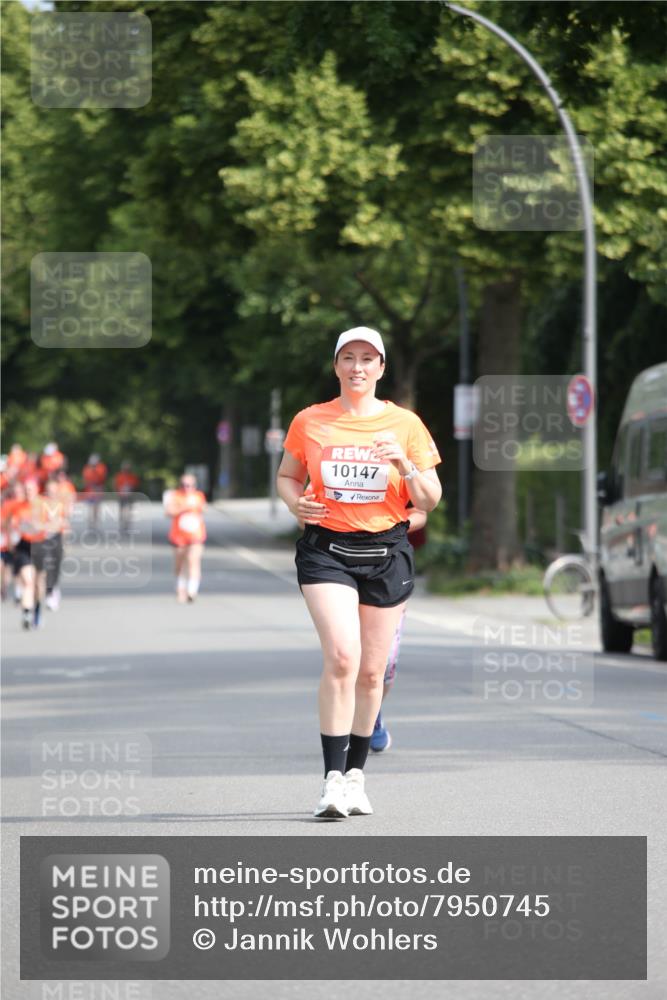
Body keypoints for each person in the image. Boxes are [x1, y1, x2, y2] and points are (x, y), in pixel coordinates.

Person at [277, 326, 442, 818]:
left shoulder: (406, 424)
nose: (357, 367)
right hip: (326, 549)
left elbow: (430, 499)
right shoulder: (311, 420)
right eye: (348, 358)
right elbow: (287, 476)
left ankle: (355, 777)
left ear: (381, 368)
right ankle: (330, 781)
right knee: (344, 658)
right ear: (336, 366)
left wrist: (405, 466)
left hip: (387, 551)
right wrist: (296, 505)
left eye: (367, 359)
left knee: (372, 673)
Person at [370, 504, 428, 753]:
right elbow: (304, 514)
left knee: (385, 664)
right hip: (340, 569)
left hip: (390, 568)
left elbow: (421, 512)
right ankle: (348, 720)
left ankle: (372, 712)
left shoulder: (399, 465)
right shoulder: (332, 463)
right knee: (347, 655)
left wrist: (388, 525)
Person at [11, 478, 49, 630]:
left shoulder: (44, 504)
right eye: (25, 489)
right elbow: (10, 523)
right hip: (23, 546)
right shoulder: (17, 506)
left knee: (39, 585)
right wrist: (10, 539)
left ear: (36, 489)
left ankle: (37, 611)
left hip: (40, 545)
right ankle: (26, 614)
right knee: (28, 581)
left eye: (30, 489)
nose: (28, 493)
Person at [164, 473, 207, 603]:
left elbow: (203, 509)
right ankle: (180, 588)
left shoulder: (199, 496)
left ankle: (192, 591)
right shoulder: (175, 496)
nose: (187, 488)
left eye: (190, 485)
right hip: (178, 536)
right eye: (184, 485)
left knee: (193, 560)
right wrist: (184, 507)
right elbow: (168, 512)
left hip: (196, 536)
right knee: (180, 564)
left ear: (195, 486)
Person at [114, 461, 140, 536]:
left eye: (127, 468)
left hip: (130, 496)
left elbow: (135, 485)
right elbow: (116, 485)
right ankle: (122, 526)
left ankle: (127, 526)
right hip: (121, 496)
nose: (126, 470)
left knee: (128, 511)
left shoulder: (132, 476)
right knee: (122, 511)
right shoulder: (119, 476)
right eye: (125, 468)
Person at [82, 453, 107, 528]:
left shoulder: (101, 467)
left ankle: (95, 524)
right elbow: (86, 479)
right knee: (90, 508)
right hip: (90, 491)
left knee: (96, 508)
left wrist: (95, 471)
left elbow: (102, 478)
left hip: (98, 490)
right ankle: (91, 524)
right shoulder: (87, 468)